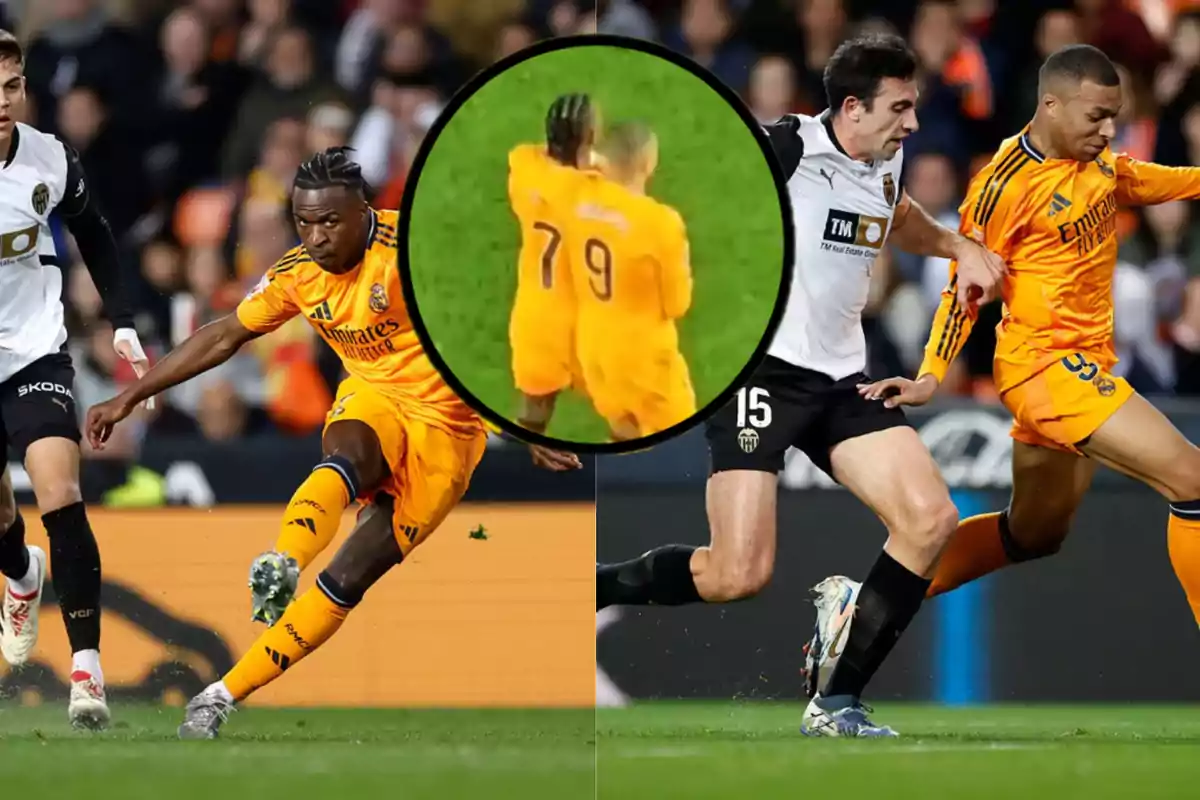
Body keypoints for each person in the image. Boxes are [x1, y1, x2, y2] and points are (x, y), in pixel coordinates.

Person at [85, 147, 581, 738]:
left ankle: (219, 695)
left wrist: (522, 425)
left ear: (364, 211)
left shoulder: (414, 254)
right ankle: (283, 561)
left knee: (349, 577)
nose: (316, 236)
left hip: (449, 428)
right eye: (304, 222)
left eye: (329, 221)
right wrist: (132, 395)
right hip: (374, 397)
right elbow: (223, 336)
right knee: (348, 455)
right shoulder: (298, 273)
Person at [594, 34, 1006, 737]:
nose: (912, 124)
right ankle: (592, 587)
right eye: (900, 108)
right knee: (737, 573)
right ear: (851, 106)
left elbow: (896, 215)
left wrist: (959, 245)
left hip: (843, 380)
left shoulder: (883, 158)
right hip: (759, 375)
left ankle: (837, 700)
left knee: (930, 519)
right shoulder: (782, 149)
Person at [807, 44, 1200, 694]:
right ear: (1052, 103)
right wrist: (934, 370)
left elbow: (1142, 177)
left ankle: (859, 606)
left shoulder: (1096, 162)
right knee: (1192, 480)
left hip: (1083, 367)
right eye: (1098, 116)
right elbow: (966, 279)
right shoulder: (1004, 183)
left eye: (1115, 118)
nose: (1108, 130)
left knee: (1033, 532)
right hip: (1047, 369)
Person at [0, 30, 149, 731]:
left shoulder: (50, 159)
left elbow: (94, 231)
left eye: (10, 87)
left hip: (35, 354)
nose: (2, 103)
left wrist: (120, 317)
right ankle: (21, 573)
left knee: (60, 492)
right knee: (4, 523)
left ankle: (86, 675)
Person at [566, 121, 696, 441]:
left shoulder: (577, 205)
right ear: (648, 163)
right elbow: (677, 304)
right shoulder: (659, 222)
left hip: (593, 348)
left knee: (623, 436)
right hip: (645, 358)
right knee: (687, 448)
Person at [508, 94, 598, 435]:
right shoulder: (594, 188)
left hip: (536, 312)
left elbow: (528, 153)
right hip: (582, 316)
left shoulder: (524, 171)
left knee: (534, 411)